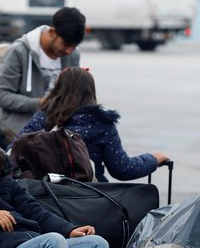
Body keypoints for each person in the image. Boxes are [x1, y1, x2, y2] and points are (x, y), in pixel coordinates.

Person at [18, 67, 170, 182]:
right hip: (90, 196)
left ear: (58, 91)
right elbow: (122, 169)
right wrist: (153, 159)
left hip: (48, 195)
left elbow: (17, 147)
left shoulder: (47, 118)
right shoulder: (102, 124)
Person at [0, 7, 86, 140]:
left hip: (56, 129)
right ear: (52, 32)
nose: (69, 51)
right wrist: (40, 103)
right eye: (66, 44)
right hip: (17, 130)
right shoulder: (19, 52)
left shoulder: (72, 54)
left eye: (74, 46)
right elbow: (1, 95)